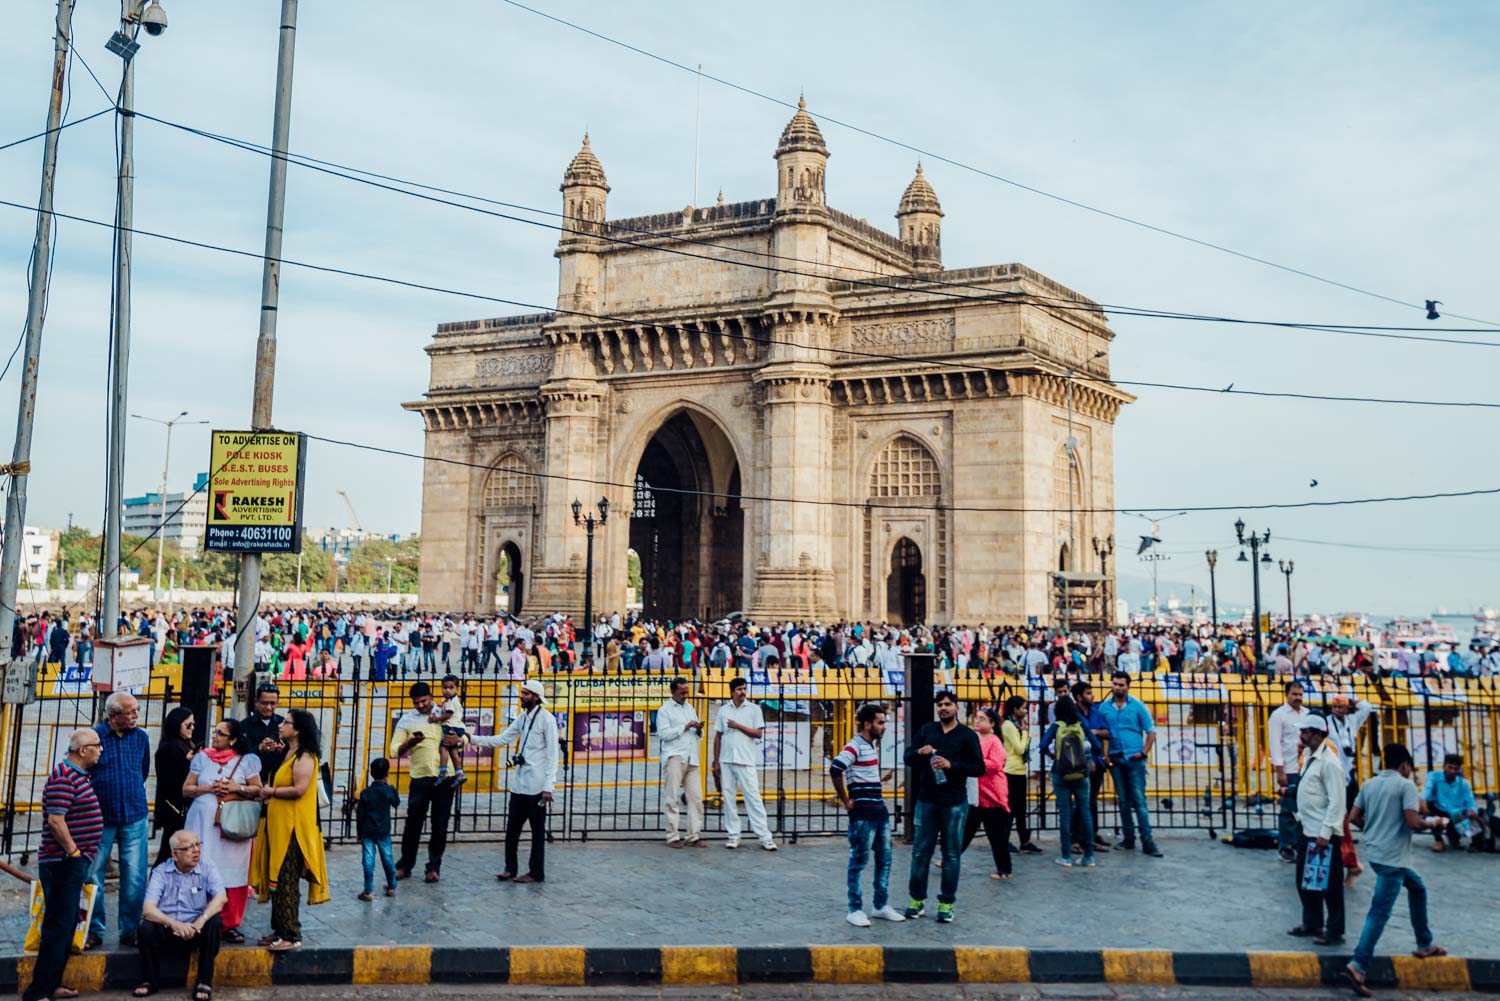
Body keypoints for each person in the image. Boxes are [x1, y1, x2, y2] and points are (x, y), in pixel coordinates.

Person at [1342, 743, 1450, 997]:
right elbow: (1413, 822)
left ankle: (1424, 943)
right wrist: (1435, 823)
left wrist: (1374, 829)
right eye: (1410, 768)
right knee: (1379, 913)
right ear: (1404, 765)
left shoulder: (1369, 784)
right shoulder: (1405, 785)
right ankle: (1358, 965)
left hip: (1378, 854)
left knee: (1417, 888)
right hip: (1394, 859)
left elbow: (1354, 817)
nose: (1410, 772)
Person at [23, 729, 103, 1001]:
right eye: (97, 746)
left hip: (71, 863)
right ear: (83, 750)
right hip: (62, 863)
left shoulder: (79, 775)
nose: (100, 750)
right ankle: (38, 991)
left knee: (67, 925)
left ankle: (53, 983)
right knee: (58, 927)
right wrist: (74, 852)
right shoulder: (63, 778)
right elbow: (56, 821)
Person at [249, 708, 330, 951]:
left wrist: (270, 792)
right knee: (276, 879)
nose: (281, 725)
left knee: (286, 880)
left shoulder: (305, 756)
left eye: (287, 722)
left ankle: (291, 935)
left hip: (293, 828)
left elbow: (299, 789)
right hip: (278, 825)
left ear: (298, 729)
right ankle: (279, 929)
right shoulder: (288, 752)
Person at [903, 689, 984, 922]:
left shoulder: (967, 735)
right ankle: (916, 899)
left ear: (957, 707)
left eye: (948, 704)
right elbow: (907, 757)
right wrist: (920, 751)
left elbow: (979, 768)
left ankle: (947, 903)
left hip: (954, 803)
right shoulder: (928, 730)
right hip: (927, 800)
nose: (943, 708)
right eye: (940, 705)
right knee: (920, 852)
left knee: (951, 855)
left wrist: (952, 765)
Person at [470, 679, 560, 883]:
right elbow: (502, 739)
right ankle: (510, 868)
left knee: (537, 833)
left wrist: (549, 786)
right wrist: (471, 738)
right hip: (520, 784)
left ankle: (536, 872)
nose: (523, 696)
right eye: (523, 692)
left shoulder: (547, 720)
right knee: (512, 831)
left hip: (537, 786)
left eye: (527, 694)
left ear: (537, 697)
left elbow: (553, 756)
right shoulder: (523, 718)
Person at [182, 717, 262, 945]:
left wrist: (236, 787)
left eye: (220, 733)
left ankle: (230, 923)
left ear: (233, 739)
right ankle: (202, 917)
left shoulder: (247, 761)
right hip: (202, 823)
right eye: (214, 731)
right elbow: (186, 789)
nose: (214, 736)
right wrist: (209, 787)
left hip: (233, 827)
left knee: (233, 872)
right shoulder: (202, 758)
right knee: (201, 867)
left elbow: (258, 790)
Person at [86, 691, 152, 950]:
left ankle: (130, 929)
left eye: (137, 710)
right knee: (92, 875)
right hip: (98, 817)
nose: (136, 715)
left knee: (135, 876)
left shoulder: (141, 738)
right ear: (113, 716)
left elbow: (143, 771)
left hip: (134, 813)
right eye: (131, 711)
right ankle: (93, 929)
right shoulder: (94, 738)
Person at [830, 701, 904, 927]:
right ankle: (855, 909)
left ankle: (880, 905)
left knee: (885, 860)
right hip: (862, 813)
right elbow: (835, 768)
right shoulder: (855, 746)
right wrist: (845, 800)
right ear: (867, 724)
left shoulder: (870, 746)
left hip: (878, 811)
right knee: (859, 861)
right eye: (880, 723)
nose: (884, 727)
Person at [134, 830, 226, 1001]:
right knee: (146, 927)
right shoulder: (161, 872)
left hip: (195, 931)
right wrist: (174, 924)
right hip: (169, 931)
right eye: (189, 847)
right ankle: (149, 981)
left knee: (214, 921)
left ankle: (204, 982)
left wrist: (200, 921)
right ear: (175, 854)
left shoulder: (207, 867)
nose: (196, 850)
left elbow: (221, 898)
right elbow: (147, 909)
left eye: (198, 844)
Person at [1288, 715, 1347, 946]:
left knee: (1330, 885)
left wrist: (1326, 833)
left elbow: (1337, 801)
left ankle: (1334, 929)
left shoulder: (1330, 763)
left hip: (1322, 833)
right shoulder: (1310, 757)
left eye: (1304, 731)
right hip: (1307, 828)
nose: (1301, 735)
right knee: (1305, 879)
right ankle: (1312, 921)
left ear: (1317, 733)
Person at [390, 681, 457, 883]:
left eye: (423, 701)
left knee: (440, 824)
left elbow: (462, 737)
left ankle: (433, 867)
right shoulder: (407, 720)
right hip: (420, 776)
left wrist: (459, 741)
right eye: (416, 703)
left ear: (431, 697)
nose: (420, 706)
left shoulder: (446, 713)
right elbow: (394, 750)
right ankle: (405, 864)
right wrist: (411, 742)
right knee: (413, 823)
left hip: (445, 777)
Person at [1097, 671, 1161, 857]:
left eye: (1121, 685)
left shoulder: (1138, 706)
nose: (1118, 688)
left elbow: (1151, 731)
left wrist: (1143, 752)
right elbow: (1101, 732)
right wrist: (1105, 755)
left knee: (1139, 800)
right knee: (1123, 801)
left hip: (1134, 757)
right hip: (1116, 758)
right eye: (1115, 684)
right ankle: (1129, 838)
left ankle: (1147, 840)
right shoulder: (1104, 708)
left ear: (1127, 686)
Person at [712, 676, 777, 851]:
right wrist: (716, 760)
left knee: (753, 797)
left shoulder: (754, 709)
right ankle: (733, 835)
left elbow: (758, 733)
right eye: (739, 689)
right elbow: (718, 736)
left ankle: (764, 836)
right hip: (727, 759)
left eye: (744, 689)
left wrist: (737, 725)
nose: (742, 692)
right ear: (732, 692)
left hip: (746, 759)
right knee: (729, 798)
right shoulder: (724, 710)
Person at [1041, 696, 1103, 868]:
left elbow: (1042, 745)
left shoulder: (1056, 726)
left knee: (1065, 814)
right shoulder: (1081, 725)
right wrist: (1086, 757)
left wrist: (1052, 755)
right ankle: (1089, 856)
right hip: (1081, 774)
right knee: (1085, 811)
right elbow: (1097, 746)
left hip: (1061, 773)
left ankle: (1065, 855)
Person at [960, 705, 1013, 879]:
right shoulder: (974, 738)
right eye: (976, 717)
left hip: (992, 794)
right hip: (976, 793)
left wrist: (977, 763)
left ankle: (1004, 869)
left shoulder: (994, 741)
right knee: (966, 830)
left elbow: (996, 764)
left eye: (982, 718)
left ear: (992, 723)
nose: (977, 720)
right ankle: (950, 858)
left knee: (996, 835)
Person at [656, 676, 705, 847]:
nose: (685, 695)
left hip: (692, 756)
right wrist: (684, 726)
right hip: (675, 756)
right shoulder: (665, 710)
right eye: (682, 692)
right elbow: (663, 734)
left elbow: (699, 735)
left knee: (696, 798)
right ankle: (672, 835)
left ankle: (693, 834)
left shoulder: (690, 707)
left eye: (687, 692)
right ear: (673, 691)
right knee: (672, 798)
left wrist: (698, 729)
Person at [1268, 680, 1310, 862]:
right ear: (1286, 695)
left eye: (1300, 694)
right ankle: (1285, 846)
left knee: (1305, 807)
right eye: (1294, 694)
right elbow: (1275, 744)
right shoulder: (1278, 716)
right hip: (1289, 767)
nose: (1298, 698)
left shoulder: (1307, 714)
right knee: (1288, 809)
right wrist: (1280, 770)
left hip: (1306, 767)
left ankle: (1301, 842)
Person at [153, 707, 198, 866]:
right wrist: (188, 763)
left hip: (181, 807)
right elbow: (171, 781)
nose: (192, 728)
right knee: (170, 852)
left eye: (193, 725)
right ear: (176, 725)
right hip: (174, 808)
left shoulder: (185, 745)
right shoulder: (169, 748)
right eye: (188, 725)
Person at [1072, 681, 1113, 854]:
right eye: (1088, 693)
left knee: (1092, 800)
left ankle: (1092, 835)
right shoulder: (1072, 713)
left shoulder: (1096, 711)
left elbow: (1107, 732)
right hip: (1079, 762)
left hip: (1097, 761)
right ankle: (1076, 838)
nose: (1092, 696)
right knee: (1080, 802)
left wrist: (1094, 732)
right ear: (1079, 697)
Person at [355, 757, 400, 901]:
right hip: (383, 831)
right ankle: (392, 886)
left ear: (371, 773)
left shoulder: (366, 793)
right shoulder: (387, 791)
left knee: (368, 861)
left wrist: (359, 833)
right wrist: (391, 785)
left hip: (368, 831)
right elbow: (396, 802)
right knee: (387, 858)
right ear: (387, 773)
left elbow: (360, 815)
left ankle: (368, 890)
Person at [999, 696, 1040, 854]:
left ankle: (1025, 840)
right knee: (1011, 808)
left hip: (1019, 770)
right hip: (1011, 771)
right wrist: (1025, 734)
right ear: (1015, 710)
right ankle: (1004, 839)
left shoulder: (1016, 725)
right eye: (1023, 708)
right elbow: (1020, 749)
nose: (1025, 710)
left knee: (1021, 809)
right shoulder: (1009, 726)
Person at [1422, 753, 1479, 852]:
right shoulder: (1434, 776)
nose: (1452, 771)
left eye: (1456, 769)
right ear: (1444, 766)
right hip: (1440, 811)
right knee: (1431, 807)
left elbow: (1470, 802)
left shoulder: (1464, 783)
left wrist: (1473, 811)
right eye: (1450, 767)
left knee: (1471, 818)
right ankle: (1438, 840)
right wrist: (1422, 801)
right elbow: (1426, 791)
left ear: (1459, 769)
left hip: (1456, 813)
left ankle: (1456, 837)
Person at [239, 684, 287, 784]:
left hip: (278, 780)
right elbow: (239, 755)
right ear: (256, 702)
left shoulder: (284, 724)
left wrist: (282, 749)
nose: (269, 707)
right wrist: (259, 748)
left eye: (272, 703)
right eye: (265, 703)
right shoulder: (244, 725)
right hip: (251, 781)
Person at [431, 674, 467, 785]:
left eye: (451, 688)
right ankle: (459, 773)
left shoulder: (451, 701)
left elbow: (448, 715)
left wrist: (437, 719)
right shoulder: (449, 700)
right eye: (444, 687)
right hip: (459, 727)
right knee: (453, 750)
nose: (447, 690)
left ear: (457, 688)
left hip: (451, 726)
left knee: (443, 748)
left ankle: (443, 771)